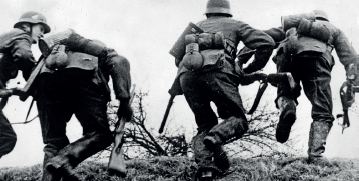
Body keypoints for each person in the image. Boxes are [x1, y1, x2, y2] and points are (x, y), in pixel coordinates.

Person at [171, 0, 275, 180]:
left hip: (186, 75)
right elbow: (267, 42)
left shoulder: (194, 27)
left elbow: (177, 58)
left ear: (207, 13)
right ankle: (215, 137)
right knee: (238, 120)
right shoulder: (236, 25)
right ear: (228, 12)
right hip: (218, 70)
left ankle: (206, 168)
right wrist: (252, 67)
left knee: (204, 124)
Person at [31, 31, 132, 181]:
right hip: (81, 77)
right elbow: (119, 62)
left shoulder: (55, 52)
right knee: (100, 134)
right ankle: (62, 161)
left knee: (54, 142)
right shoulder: (101, 50)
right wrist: (124, 101)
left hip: (45, 82)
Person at [271, 10, 358, 164]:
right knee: (322, 110)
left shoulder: (294, 24)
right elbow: (351, 58)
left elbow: (264, 37)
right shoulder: (334, 29)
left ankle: (287, 106)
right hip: (316, 58)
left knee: (285, 90)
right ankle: (315, 156)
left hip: (285, 55)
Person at [0, 11, 50, 159]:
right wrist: (36, 79)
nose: (42, 35)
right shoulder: (22, 36)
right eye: (41, 29)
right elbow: (25, 57)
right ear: (27, 26)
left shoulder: (9, 38)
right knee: (7, 138)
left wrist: (13, 91)